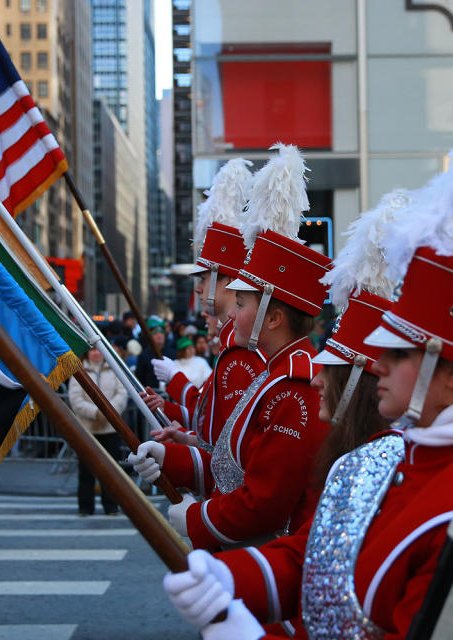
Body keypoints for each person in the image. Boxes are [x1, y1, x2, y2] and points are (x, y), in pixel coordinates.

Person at [160, 127, 453, 639]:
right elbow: (317, 562)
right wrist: (227, 576)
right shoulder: (390, 457)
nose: (378, 365)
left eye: (397, 354)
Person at [131, 144, 333, 551]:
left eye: (241, 304)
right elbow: (230, 465)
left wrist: (196, 518)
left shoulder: (293, 385)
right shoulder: (275, 373)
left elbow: (265, 502)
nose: (230, 312)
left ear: (272, 318)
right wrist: (170, 457)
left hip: (267, 557)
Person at [138, 157, 266, 463]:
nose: (197, 289)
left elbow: (228, 450)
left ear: (227, 282)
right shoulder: (229, 344)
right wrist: (180, 432)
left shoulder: (239, 349)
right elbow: (211, 421)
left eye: (204, 279)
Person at [69, 349, 128, 516]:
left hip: (110, 429)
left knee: (111, 470)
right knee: (86, 471)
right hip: (88, 429)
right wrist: (96, 412)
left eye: (98, 350)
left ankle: (111, 506)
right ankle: (85, 507)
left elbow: (121, 394)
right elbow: (75, 399)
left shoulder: (113, 369)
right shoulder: (78, 370)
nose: (96, 353)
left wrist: (108, 411)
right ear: (87, 353)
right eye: (92, 350)